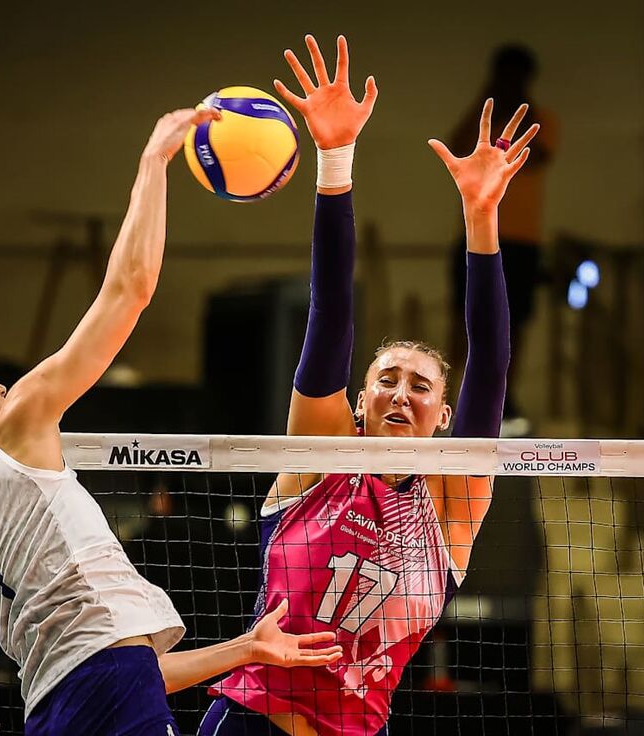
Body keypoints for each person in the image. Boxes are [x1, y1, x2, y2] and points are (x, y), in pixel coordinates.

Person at [0, 107, 342, 736]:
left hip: (58, 705)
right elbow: (129, 290)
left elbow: (105, 657)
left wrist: (246, 649)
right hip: (96, 690)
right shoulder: (12, 422)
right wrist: (154, 163)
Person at [198, 35, 537, 736]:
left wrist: (481, 215)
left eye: (422, 386)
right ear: (359, 400)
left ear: (444, 417)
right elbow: (331, 313)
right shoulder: (320, 455)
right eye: (387, 379)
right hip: (250, 722)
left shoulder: (452, 507)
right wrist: (335, 158)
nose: (403, 393)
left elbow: (494, 364)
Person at [448, 44, 558, 436]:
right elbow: (455, 149)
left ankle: (503, 397)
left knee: (517, 323)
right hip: (476, 236)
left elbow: (542, 155)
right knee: (462, 317)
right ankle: (454, 392)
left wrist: (519, 105)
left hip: (523, 241)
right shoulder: (480, 126)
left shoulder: (541, 120)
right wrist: (486, 101)